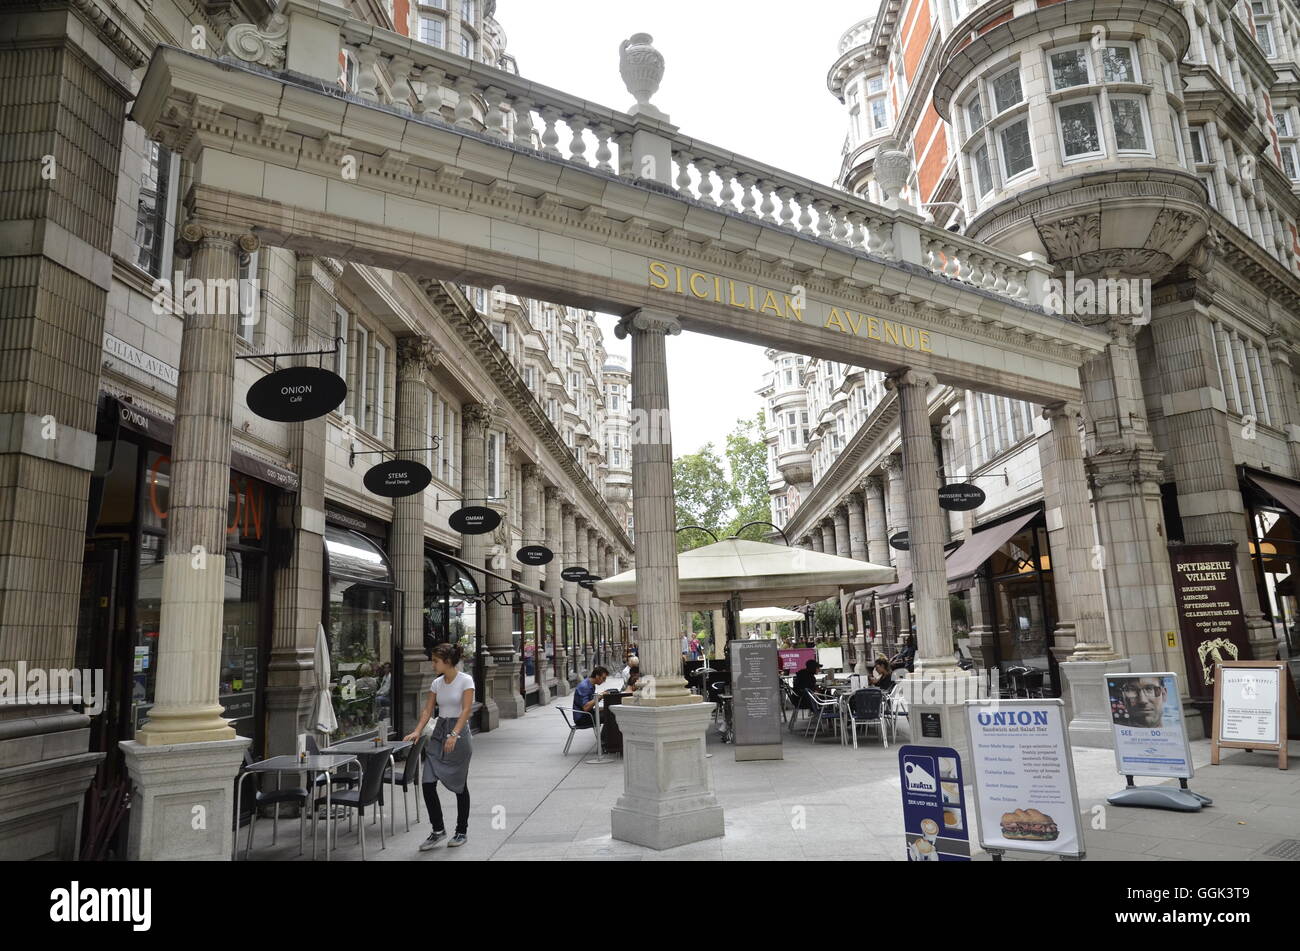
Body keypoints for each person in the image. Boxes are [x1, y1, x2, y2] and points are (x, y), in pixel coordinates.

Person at [404, 642, 474, 851]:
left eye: (435, 661)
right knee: (427, 783)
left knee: (460, 785)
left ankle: (461, 831)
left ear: (448, 661)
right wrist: (417, 730)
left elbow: (466, 710)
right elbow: (427, 710)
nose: (432, 664)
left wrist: (455, 734)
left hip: (459, 734)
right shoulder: (437, 683)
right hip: (439, 733)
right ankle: (438, 830)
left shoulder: (465, 680)